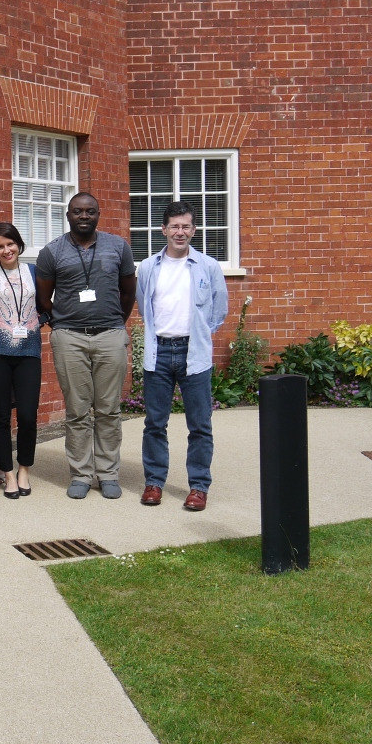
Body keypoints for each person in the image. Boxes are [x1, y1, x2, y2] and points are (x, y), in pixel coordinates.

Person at [35, 192, 136, 500]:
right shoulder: (52, 252)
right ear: (68, 215)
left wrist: (115, 322)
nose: (83, 216)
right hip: (70, 339)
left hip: (109, 336)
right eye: (77, 211)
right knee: (78, 410)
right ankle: (80, 473)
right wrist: (62, 323)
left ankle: (108, 473)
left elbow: (128, 291)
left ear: (98, 214)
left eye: (89, 211)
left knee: (108, 409)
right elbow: (44, 297)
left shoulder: (118, 247)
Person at [136, 201, 228, 512]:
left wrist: (199, 336)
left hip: (195, 354)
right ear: (163, 230)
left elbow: (218, 311)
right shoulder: (148, 267)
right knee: (154, 423)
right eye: (174, 226)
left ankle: (199, 487)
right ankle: (154, 482)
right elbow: (143, 307)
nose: (180, 232)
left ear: (194, 229)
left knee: (200, 425)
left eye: (186, 226)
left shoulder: (208, 267)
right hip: (158, 352)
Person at [0, 222, 41, 500]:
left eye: (10, 244)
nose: (6, 250)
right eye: (0, 246)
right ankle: (6, 473)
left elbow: (46, 305)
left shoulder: (33, 271)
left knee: (28, 417)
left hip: (29, 353)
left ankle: (24, 470)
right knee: (1, 417)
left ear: (18, 245)